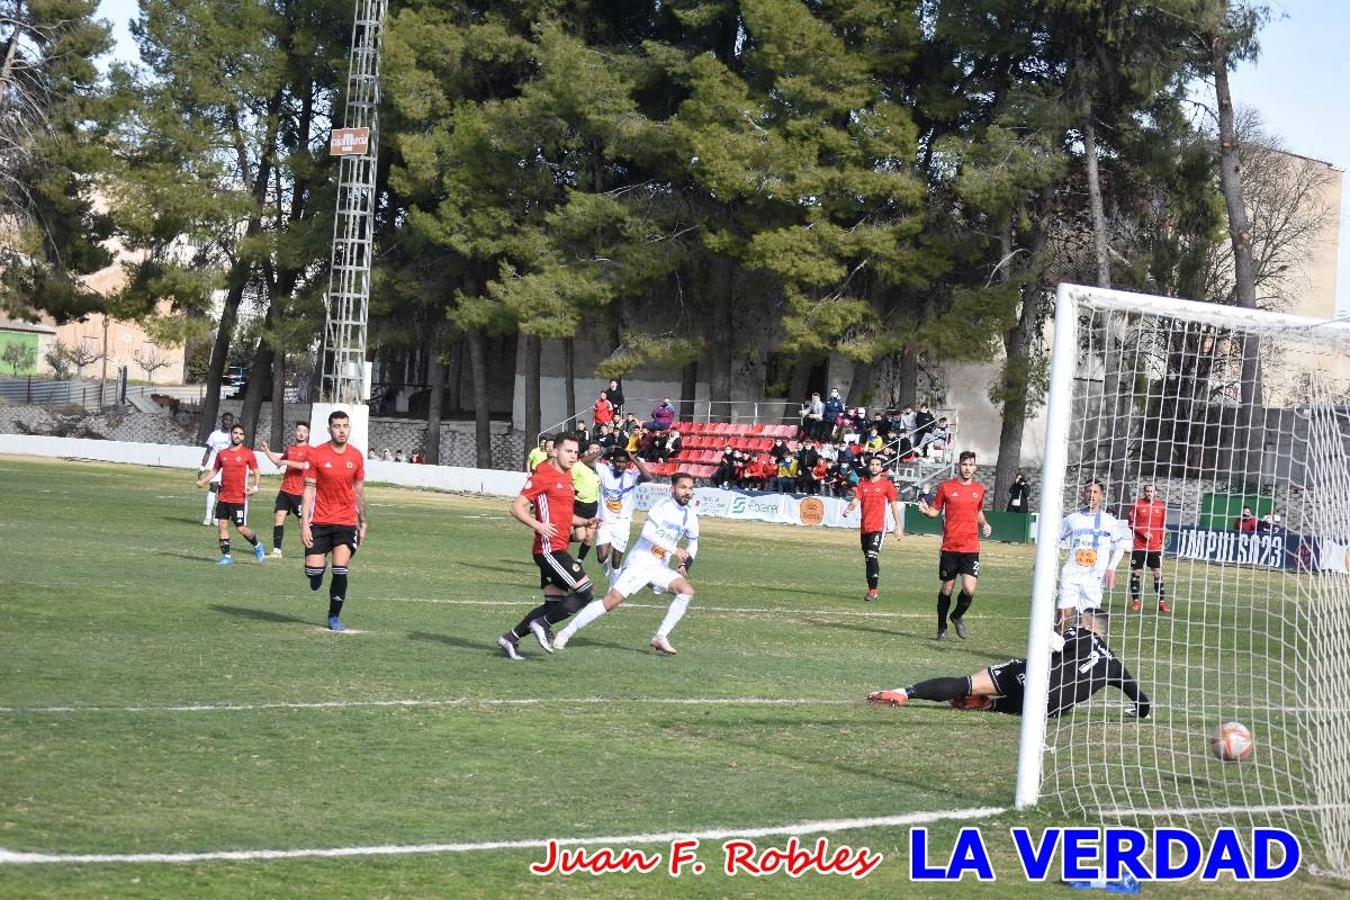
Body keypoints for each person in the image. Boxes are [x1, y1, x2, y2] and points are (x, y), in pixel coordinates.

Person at [867, 607, 1150, 720]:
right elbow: (1143, 703)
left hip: (1032, 680)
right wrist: (1137, 710)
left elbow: (1056, 643)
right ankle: (992, 704)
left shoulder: (1080, 633)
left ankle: (906, 692)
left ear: (1089, 625)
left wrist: (1053, 633)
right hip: (1052, 708)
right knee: (1054, 701)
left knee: (969, 682)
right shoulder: (1115, 665)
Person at [554, 472, 700, 655]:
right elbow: (647, 533)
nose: (687, 491)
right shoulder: (662, 506)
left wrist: (686, 565)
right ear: (672, 489)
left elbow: (693, 542)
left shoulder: (690, 515)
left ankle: (660, 637)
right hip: (640, 562)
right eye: (683, 487)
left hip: (659, 567)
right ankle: (565, 633)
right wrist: (674, 549)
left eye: (690, 488)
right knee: (611, 602)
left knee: (686, 591)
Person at [496, 433, 599, 660]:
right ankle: (542, 625)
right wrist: (538, 525)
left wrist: (584, 522)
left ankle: (511, 638)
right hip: (548, 550)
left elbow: (564, 514)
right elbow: (517, 508)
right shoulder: (543, 476)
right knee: (585, 592)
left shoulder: (568, 476)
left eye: (575, 452)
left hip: (559, 547)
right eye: (568, 451)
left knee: (555, 603)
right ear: (555, 451)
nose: (573, 456)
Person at [301, 410, 368, 632]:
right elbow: (309, 490)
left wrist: (363, 522)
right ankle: (317, 571)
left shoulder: (356, 456)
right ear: (329, 429)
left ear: (349, 428)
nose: (341, 430)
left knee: (341, 569)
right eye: (337, 426)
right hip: (320, 521)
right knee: (312, 574)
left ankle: (333, 617)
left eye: (345, 426)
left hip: (346, 522)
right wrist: (304, 524)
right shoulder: (317, 454)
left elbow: (359, 491)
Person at [916, 451, 990, 640]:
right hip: (950, 547)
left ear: (975, 467)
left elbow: (978, 512)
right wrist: (926, 511)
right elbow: (934, 511)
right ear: (959, 466)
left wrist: (986, 524)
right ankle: (942, 628)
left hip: (971, 548)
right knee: (947, 588)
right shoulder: (946, 487)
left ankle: (956, 616)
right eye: (964, 464)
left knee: (969, 589)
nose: (967, 468)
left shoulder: (979, 489)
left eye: (970, 464)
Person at [1057, 480, 1129, 632]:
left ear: (1101, 496)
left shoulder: (1109, 521)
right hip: (1071, 574)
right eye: (1088, 491)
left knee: (1090, 622)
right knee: (1063, 617)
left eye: (1095, 492)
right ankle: (1057, 653)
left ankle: (1090, 654)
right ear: (1084, 493)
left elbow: (1121, 545)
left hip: (1095, 577)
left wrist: (1111, 568)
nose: (1091, 495)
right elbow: (1055, 540)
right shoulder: (1072, 519)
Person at [195, 423, 265, 565]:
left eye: (240, 433)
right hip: (224, 497)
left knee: (241, 528)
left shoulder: (248, 454)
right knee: (222, 525)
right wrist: (203, 481)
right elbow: (214, 471)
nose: (237, 436)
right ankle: (227, 557)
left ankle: (257, 545)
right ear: (231, 435)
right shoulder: (222, 454)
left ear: (243, 437)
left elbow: (257, 472)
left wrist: (255, 488)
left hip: (239, 498)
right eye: (235, 433)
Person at [844, 455, 904, 602]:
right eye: (872, 464)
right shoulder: (863, 485)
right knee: (868, 559)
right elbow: (856, 500)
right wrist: (849, 509)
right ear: (869, 466)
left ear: (881, 468)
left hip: (879, 527)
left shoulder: (887, 485)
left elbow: (894, 506)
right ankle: (871, 589)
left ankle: (873, 591)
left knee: (872, 555)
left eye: (877, 464)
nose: (874, 467)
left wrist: (898, 525)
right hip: (865, 527)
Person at [595, 446, 654, 587]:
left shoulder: (631, 476)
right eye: (617, 461)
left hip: (622, 523)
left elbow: (648, 477)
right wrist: (602, 451)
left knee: (616, 562)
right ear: (612, 461)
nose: (620, 464)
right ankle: (605, 563)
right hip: (604, 521)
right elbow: (585, 462)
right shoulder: (604, 471)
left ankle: (613, 588)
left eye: (623, 462)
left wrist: (633, 459)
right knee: (601, 557)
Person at [259, 421, 311, 558]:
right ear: (295, 432)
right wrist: (267, 451)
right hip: (285, 491)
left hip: (300, 493)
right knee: (279, 518)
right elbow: (278, 462)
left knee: (303, 523)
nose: (301, 433)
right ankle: (277, 551)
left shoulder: (310, 450)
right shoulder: (290, 449)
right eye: (299, 430)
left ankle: (312, 551)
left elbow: (305, 466)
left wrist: (287, 462)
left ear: (308, 434)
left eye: (304, 431)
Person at [1127, 484, 1169, 614]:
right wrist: (1142, 532)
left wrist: (1162, 542)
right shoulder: (1137, 504)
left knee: (1157, 573)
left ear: (1156, 492)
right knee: (1137, 573)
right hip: (1139, 545)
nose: (1149, 493)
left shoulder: (1161, 506)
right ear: (1144, 492)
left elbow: (1163, 526)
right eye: (1147, 491)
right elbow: (1131, 523)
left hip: (1154, 547)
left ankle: (1162, 603)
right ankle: (1135, 602)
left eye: (1152, 491)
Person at [198, 412, 235, 525]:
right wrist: (202, 467)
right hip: (215, 466)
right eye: (225, 420)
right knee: (213, 486)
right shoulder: (214, 435)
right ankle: (208, 516)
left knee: (222, 491)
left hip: (227, 467)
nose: (227, 422)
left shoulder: (233, 436)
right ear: (222, 421)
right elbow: (208, 451)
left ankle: (216, 517)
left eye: (230, 420)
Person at [570, 440, 604, 561]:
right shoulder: (579, 465)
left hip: (593, 506)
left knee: (589, 536)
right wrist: (577, 492)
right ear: (587, 451)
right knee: (580, 536)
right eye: (592, 448)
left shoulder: (601, 469)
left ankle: (579, 561)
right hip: (578, 505)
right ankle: (561, 539)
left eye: (597, 449)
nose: (594, 450)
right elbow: (568, 482)